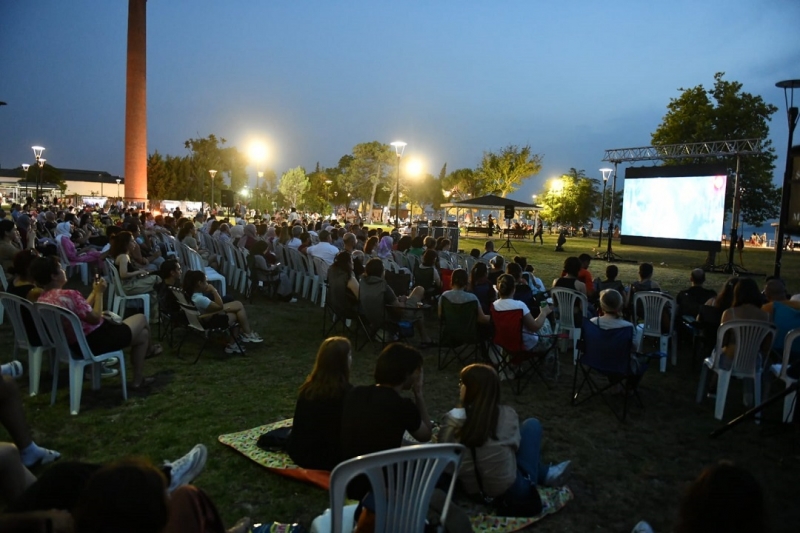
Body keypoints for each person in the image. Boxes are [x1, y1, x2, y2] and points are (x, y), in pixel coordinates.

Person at [439, 364, 569, 509]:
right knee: (532, 425)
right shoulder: (507, 415)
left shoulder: (450, 420)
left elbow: (445, 461)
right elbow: (515, 449)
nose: (460, 386)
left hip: (472, 490)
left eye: (462, 383)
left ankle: (546, 473)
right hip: (513, 492)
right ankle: (545, 474)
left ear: (468, 388)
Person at [31, 255, 159, 389]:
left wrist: (93, 291)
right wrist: (99, 294)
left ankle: (138, 380)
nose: (63, 270)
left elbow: (81, 310)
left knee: (143, 335)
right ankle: (148, 353)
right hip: (95, 341)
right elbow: (96, 318)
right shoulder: (69, 295)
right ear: (54, 276)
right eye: (60, 269)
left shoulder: (43, 299)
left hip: (74, 344)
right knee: (141, 318)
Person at [340, 343, 432, 498]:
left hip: (347, 478)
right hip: (380, 484)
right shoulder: (403, 406)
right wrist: (419, 394)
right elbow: (426, 435)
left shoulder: (355, 394)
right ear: (406, 374)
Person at [286, 337, 353, 471]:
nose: (351, 359)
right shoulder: (347, 393)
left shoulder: (308, 388)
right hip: (328, 460)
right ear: (342, 361)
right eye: (349, 355)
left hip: (299, 453)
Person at [182, 270, 262, 350]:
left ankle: (239, 339)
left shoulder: (190, 295)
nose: (207, 284)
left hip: (202, 319)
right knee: (238, 308)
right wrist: (214, 291)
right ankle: (245, 335)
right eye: (205, 282)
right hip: (209, 321)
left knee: (237, 307)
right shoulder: (200, 299)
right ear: (199, 283)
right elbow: (219, 306)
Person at [493, 274, 553, 351]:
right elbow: (534, 327)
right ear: (514, 289)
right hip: (524, 345)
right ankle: (550, 359)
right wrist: (544, 312)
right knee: (546, 322)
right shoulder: (519, 306)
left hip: (504, 343)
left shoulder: (494, 306)